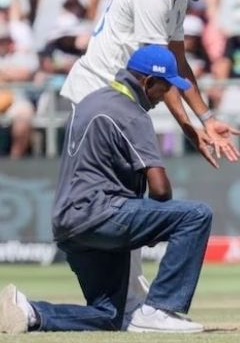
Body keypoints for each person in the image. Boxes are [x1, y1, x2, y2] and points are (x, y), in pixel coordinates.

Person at [56, 0, 240, 322]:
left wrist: (206, 119)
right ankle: (137, 305)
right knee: (120, 202)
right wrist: (190, 129)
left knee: (127, 199)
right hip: (99, 95)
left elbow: (176, 62)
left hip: (118, 99)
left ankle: (127, 304)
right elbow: (161, 75)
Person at [0, 45, 213, 333]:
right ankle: (159, 308)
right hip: (101, 215)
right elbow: (160, 189)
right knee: (196, 215)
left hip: (68, 224)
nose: (164, 97)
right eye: (163, 88)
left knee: (110, 316)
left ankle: (31, 312)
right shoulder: (131, 113)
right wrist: (153, 228)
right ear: (148, 82)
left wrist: (148, 223)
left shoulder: (90, 101)